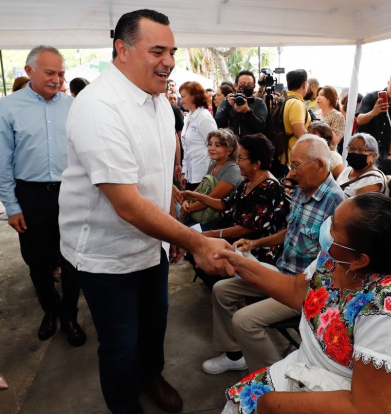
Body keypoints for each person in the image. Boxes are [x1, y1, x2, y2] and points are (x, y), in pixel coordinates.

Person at [58, 9, 234, 414]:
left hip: (150, 246)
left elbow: (156, 177)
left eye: (171, 51)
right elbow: (127, 202)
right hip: (106, 255)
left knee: (155, 326)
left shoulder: (158, 103)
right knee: (120, 342)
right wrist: (193, 241)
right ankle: (125, 405)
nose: (169, 61)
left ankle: (151, 375)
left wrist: (170, 232)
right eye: (157, 50)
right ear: (122, 50)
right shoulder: (99, 106)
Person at [218, 192, 391, 414]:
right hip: (317, 371)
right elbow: (296, 290)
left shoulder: (388, 309)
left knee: (256, 402)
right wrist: (238, 263)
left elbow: (370, 409)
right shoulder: (338, 256)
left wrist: (270, 405)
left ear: (361, 259)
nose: (327, 227)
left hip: (374, 401)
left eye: (335, 226)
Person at [203, 135, 346, 374]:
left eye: (297, 165)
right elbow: (291, 230)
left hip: (305, 289)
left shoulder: (337, 204)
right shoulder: (304, 189)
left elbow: (337, 264)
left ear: (320, 165)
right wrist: (255, 242)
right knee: (221, 290)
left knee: (244, 320)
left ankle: (273, 379)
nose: (292, 172)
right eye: (291, 165)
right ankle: (234, 354)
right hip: (281, 272)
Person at [0, 46, 85, 346]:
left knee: (73, 257)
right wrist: (12, 206)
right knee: (36, 261)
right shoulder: (8, 107)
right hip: (30, 194)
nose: (57, 79)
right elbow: (3, 161)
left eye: (61, 73)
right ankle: (51, 310)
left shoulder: (73, 106)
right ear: (29, 71)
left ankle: (70, 315)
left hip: (69, 192)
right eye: (49, 73)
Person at [183, 134, 289, 288]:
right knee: (196, 252)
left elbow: (247, 229)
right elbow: (224, 204)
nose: (237, 163)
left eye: (241, 159)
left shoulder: (269, 188)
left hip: (254, 247)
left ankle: (236, 297)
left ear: (256, 164)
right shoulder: (248, 181)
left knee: (207, 254)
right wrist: (195, 195)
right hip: (237, 240)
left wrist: (214, 234)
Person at [180, 128, 243, 229]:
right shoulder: (213, 164)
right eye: (210, 144)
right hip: (201, 212)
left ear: (229, 150)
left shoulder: (232, 170)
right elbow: (200, 189)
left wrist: (188, 209)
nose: (211, 148)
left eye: (217, 145)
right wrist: (186, 200)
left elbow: (212, 198)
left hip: (218, 220)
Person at [355, 70, 391, 160]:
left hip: (382, 153)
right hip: (361, 147)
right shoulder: (372, 97)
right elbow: (359, 120)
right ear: (388, 83)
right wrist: (374, 112)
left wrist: (390, 154)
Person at [179, 81, 218, 191]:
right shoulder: (188, 117)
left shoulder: (204, 117)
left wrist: (210, 174)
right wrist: (184, 171)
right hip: (191, 173)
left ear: (194, 96)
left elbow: (215, 147)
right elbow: (187, 148)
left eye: (183, 96)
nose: (181, 100)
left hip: (203, 174)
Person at [274, 69, 312, 175]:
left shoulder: (285, 99)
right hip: (293, 159)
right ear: (304, 84)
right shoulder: (296, 104)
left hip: (285, 156)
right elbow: (298, 132)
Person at [214, 70, 268, 138]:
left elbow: (261, 127)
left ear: (254, 86)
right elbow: (217, 123)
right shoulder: (228, 101)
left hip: (252, 145)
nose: (246, 86)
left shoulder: (259, 102)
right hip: (231, 144)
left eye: (250, 85)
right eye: (242, 84)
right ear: (236, 86)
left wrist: (247, 112)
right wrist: (227, 106)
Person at [336, 133, 387, 197]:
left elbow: (355, 206)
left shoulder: (374, 180)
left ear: (373, 156)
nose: (355, 152)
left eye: (361, 150)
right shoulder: (347, 170)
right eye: (351, 149)